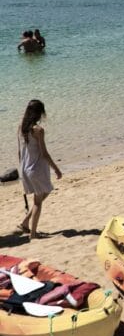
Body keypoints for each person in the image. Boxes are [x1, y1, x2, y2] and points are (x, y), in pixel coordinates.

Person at [16, 100, 62, 239]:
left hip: (25, 168)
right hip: (36, 169)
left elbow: (19, 152)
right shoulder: (38, 130)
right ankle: (33, 234)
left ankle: (25, 222)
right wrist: (56, 169)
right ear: (40, 113)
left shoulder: (21, 127)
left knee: (45, 191)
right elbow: (44, 154)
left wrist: (21, 170)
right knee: (38, 202)